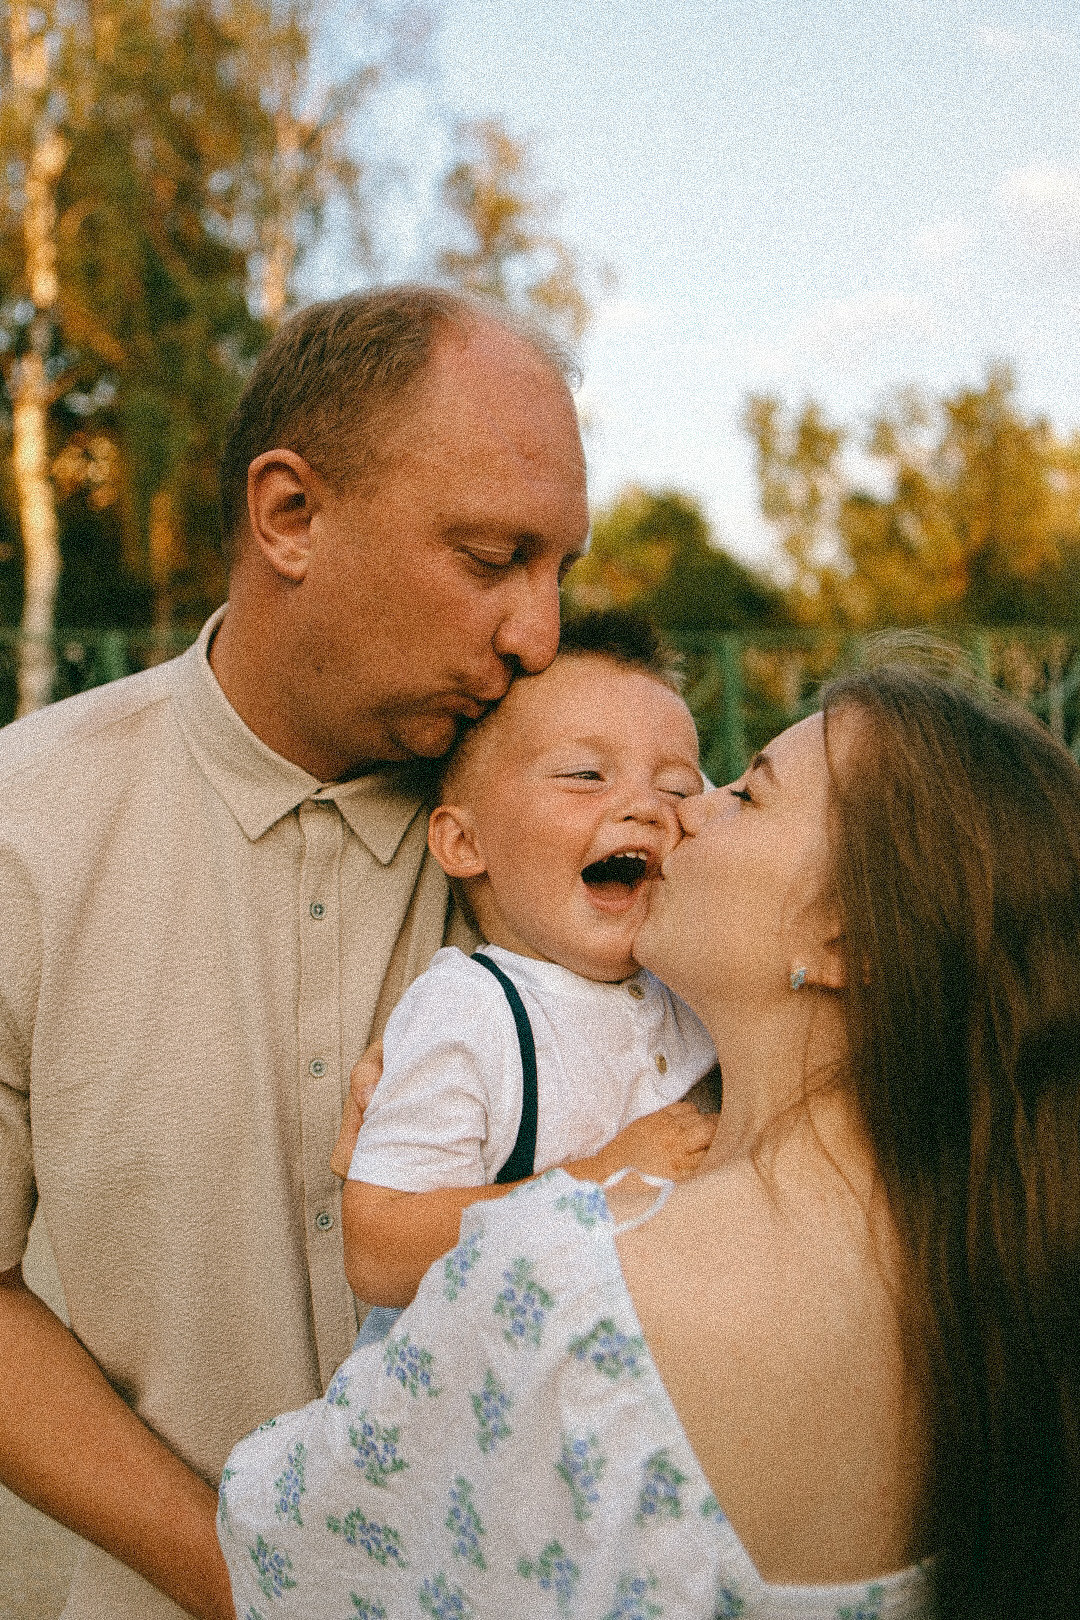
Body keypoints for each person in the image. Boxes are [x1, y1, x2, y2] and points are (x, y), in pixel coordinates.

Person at [218, 649, 1080, 1619]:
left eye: (743, 792)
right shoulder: (998, 1258)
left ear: (845, 942)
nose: (686, 809)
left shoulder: (566, 1289)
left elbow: (284, 1543)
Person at [0, 285, 597, 1620]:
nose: (539, 635)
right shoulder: (18, 828)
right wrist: (247, 1578)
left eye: (561, 572)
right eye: (494, 558)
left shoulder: (582, 832)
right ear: (290, 516)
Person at [344, 611, 719, 1338]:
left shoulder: (696, 982)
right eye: (586, 775)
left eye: (677, 788)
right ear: (463, 840)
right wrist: (599, 1178)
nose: (645, 806)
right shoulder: (471, 1010)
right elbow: (379, 1248)